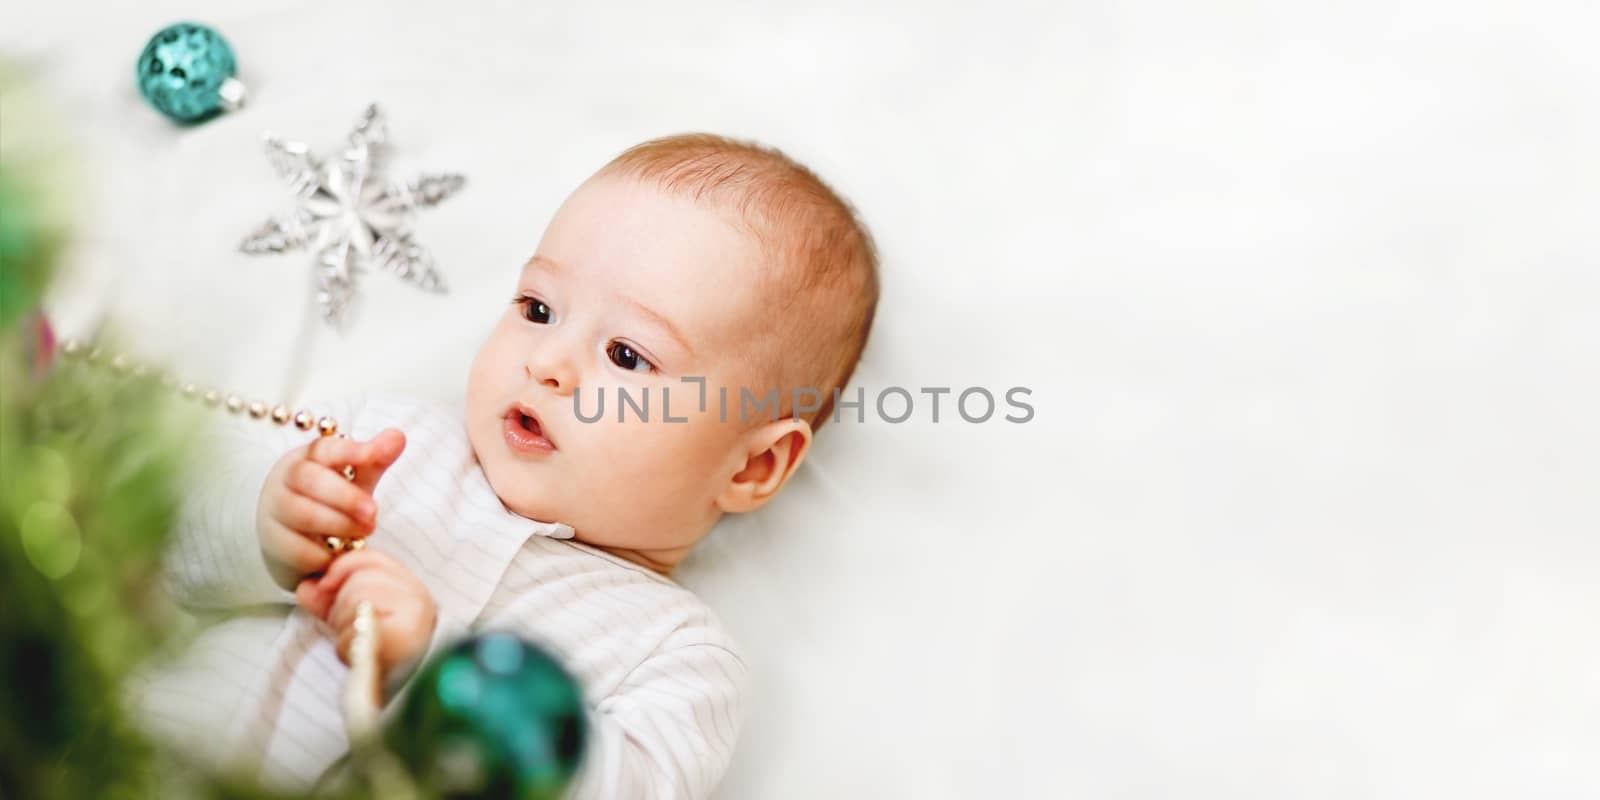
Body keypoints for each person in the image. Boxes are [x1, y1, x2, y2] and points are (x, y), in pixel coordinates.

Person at [132, 132, 880, 798]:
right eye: (537, 307)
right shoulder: (376, 444)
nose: (547, 361)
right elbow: (159, 556)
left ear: (752, 467)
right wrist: (265, 528)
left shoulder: (674, 655)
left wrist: (434, 674)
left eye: (627, 355)